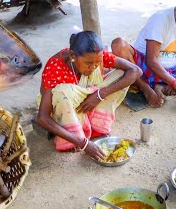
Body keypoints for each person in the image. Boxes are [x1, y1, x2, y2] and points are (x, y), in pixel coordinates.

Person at [37, 30, 142, 161]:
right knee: (62, 93)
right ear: (72, 55)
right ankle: (74, 134)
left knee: (122, 74)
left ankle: (96, 125)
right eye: (88, 63)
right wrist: (84, 144)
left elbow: (136, 71)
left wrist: (100, 94)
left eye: (97, 63)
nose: (93, 67)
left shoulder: (96, 56)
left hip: (90, 97)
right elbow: (42, 117)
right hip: (64, 107)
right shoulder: (56, 67)